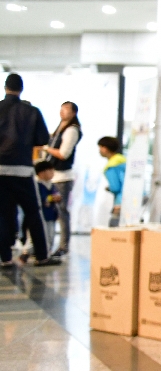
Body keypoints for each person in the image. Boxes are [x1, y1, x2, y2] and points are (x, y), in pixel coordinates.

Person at [0, 74, 58, 267]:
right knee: (33, 212)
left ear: (5, 87)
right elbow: (42, 139)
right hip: (23, 170)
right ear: (21, 89)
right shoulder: (32, 111)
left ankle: (5, 257)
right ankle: (42, 255)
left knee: (2, 213)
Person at [40, 101, 80, 256]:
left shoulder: (71, 130)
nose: (62, 112)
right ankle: (49, 243)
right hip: (52, 176)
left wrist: (46, 149)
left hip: (62, 177)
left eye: (66, 109)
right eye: (61, 109)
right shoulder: (60, 128)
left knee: (61, 211)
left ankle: (63, 245)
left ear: (74, 113)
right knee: (51, 211)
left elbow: (63, 153)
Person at [17, 161, 60, 261]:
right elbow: (41, 199)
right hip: (41, 217)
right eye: (49, 170)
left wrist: (57, 200)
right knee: (35, 237)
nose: (52, 172)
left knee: (50, 236)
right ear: (41, 173)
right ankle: (26, 253)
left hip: (51, 216)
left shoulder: (52, 185)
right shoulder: (38, 185)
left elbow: (56, 197)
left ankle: (46, 254)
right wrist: (50, 198)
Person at [98, 137, 126, 228]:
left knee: (114, 225)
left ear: (105, 148)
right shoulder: (123, 160)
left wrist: (108, 188)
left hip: (121, 200)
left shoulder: (111, 166)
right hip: (133, 199)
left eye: (100, 147)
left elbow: (115, 187)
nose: (99, 151)